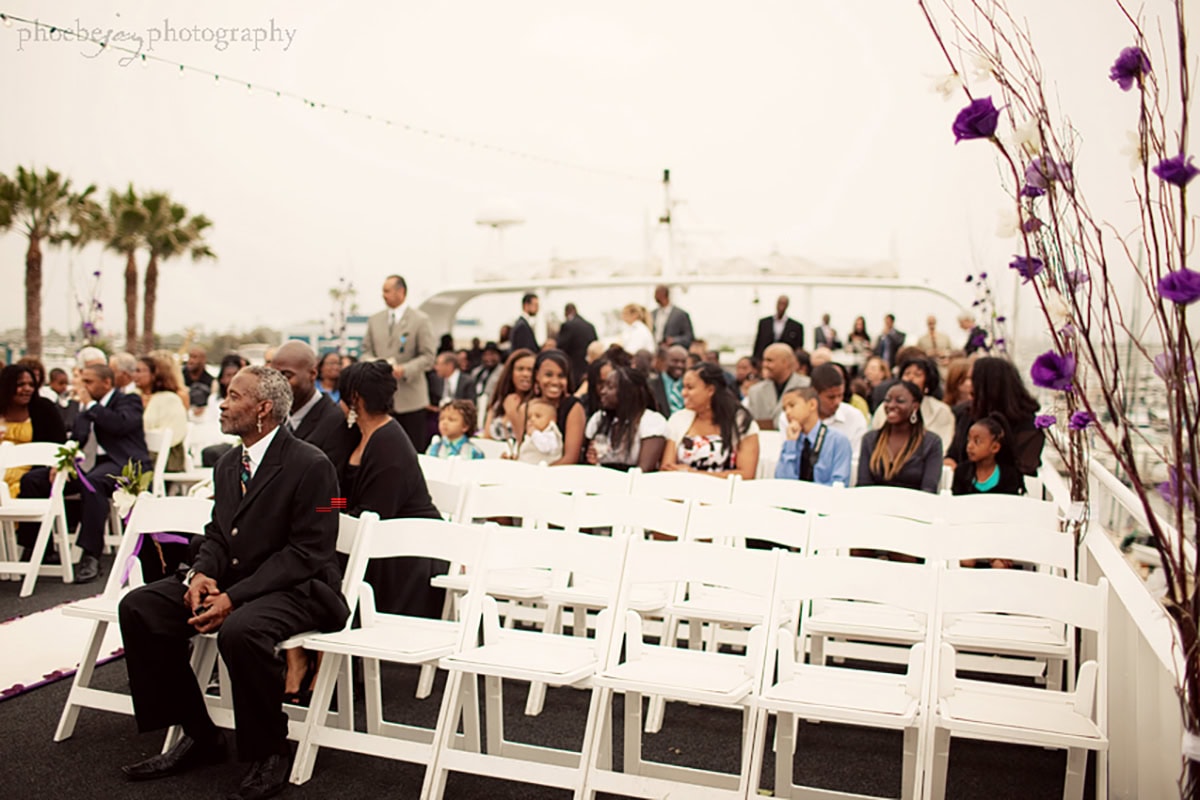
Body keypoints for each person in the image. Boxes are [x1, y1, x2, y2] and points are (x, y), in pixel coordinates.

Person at [116, 366, 349, 799]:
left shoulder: (314, 465)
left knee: (241, 631)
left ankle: (270, 750)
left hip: (300, 588)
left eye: (233, 396)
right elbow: (218, 534)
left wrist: (234, 597)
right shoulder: (228, 464)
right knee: (140, 606)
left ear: (263, 409)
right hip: (234, 580)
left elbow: (309, 552)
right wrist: (203, 574)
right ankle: (200, 734)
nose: (222, 404)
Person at [19, 364, 149, 583]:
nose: (83, 386)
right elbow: (77, 437)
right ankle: (39, 548)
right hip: (87, 465)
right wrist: (60, 464)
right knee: (33, 480)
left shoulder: (128, 401)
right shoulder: (86, 407)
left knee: (93, 482)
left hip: (120, 464)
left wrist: (90, 405)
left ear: (106, 383)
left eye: (88, 381)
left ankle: (91, 556)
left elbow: (119, 425)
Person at [338, 361, 443, 617]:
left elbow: (373, 513)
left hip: (408, 553)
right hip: (377, 539)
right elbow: (346, 501)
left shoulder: (388, 444)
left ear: (355, 398)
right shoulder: (359, 435)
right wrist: (320, 508)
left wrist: (325, 516)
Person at [360, 274, 436, 452]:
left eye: (387, 291)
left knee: (412, 450)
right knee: (383, 451)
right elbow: (365, 351)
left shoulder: (420, 320)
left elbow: (428, 356)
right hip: (380, 400)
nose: (383, 295)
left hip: (410, 400)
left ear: (401, 292)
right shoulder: (374, 320)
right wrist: (375, 364)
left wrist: (405, 369)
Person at [946, 356, 1045, 476]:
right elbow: (953, 455)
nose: (969, 386)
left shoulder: (1028, 427)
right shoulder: (967, 414)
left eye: (973, 380)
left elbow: (1024, 469)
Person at [661, 362, 759, 479]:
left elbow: (746, 474)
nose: (683, 393)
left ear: (710, 390)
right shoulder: (678, 419)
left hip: (726, 489)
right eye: (683, 387)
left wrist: (693, 474)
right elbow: (667, 468)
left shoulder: (741, 422)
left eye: (690, 388)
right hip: (683, 488)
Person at [270, 341, 355, 472]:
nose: (278, 384)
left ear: (312, 374)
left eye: (287, 376)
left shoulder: (335, 422)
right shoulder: (273, 417)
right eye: (273, 377)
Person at [857, 380, 943, 493]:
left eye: (900, 401)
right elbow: (863, 485)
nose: (891, 405)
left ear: (915, 406)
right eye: (887, 400)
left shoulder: (931, 443)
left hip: (915, 503)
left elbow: (929, 489)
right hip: (874, 502)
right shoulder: (870, 439)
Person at [584, 366, 667, 472]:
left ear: (627, 393)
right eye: (603, 386)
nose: (603, 391)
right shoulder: (598, 419)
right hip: (601, 478)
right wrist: (592, 461)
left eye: (610, 387)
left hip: (634, 479)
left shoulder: (651, 421)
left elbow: (644, 470)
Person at [2, 364, 67, 498]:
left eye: (31, 385)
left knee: (28, 482)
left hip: (31, 470)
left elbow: (60, 444)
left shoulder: (44, 409)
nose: (27, 389)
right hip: (2, 468)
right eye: (20, 384)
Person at [513, 350, 585, 465]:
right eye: (549, 375)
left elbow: (571, 458)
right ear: (537, 375)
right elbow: (522, 449)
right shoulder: (525, 408)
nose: (555, 381)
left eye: (561, 376)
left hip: (560, 473)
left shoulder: (574, 408)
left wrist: (542, 472)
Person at [774, 386, 852, 486]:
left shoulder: (837, 440)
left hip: (826, 495)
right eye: (785, 409)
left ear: (812, 404)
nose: (787, 412)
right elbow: (782, 483)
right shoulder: (790, 441)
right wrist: (790, 444)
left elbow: (839, 483)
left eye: (792, 405)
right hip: (794, 495)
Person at [871, 356, 955, 448]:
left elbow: (943, 445)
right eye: (907, 374)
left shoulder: (940, 411)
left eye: (917, 375)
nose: (910, 378)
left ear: (927, 382)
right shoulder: (886, 407)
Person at [134, 354, 189, 472]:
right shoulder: (132, 396)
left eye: (139, 371)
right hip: (138, 451)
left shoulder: (169, 399)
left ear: (155, 374)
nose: (135, 375)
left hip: (165, 455)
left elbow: (174, 434)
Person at [952, 412, 1026, 496]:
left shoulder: (1009, 475)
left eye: (977, 441)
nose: (969, 446)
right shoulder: (962, 472)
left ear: (995, 447)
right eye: (968, 440)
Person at [744, 343, 809, 430]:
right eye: (764, 360)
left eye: (769, 360)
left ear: (785, 362)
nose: (765, 365)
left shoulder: (807, 386)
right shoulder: (755, 391)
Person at [809, 363, 868, 455]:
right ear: (814, 393)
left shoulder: (855, 417)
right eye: (831, 397)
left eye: (840, 395)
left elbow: (857, 457)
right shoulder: (795, 416)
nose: (837, 402)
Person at [482, 348, 536, 442]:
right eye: (520, 369)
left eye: (530, 370)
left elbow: (526, 441)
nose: (525, 374)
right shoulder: (499, 403)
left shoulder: (538, 405)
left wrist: (513, 413)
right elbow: (486, 435)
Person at [556, 302, 598, 385]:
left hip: (573, 369)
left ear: (566, 313)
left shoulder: (568, 325)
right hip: (588, 369)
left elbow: (560, 349)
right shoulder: (590, 326)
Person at [752, 294, 805, 359]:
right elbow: (758, 343)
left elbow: (798, 347)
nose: (781, 306)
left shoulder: (796, 326)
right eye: (780, 303)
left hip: (785, 359)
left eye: (784, 304)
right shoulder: (764, 323)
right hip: (765, 357)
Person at [514, 397, 564, 465]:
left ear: (552, 420)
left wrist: (534, 433)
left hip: (542, 468)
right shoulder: (531, 434)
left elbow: (546, 447)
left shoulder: (551, 433)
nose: (532, 419)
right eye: (529, 417)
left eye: (538, 416)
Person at [648, 344, 689, 417]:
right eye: (675, 361)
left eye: (683, 362)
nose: (679, 365)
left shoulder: (689, 385)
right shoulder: (651, 385)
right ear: (666, 361)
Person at [651, 284, 694, 349]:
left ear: (665, 295)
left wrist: (674, 340)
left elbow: (689, 337)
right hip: (655, 350)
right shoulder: (652, 314)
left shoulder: (680, 315)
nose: (655, 297)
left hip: (672, 350)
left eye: (657, 294)